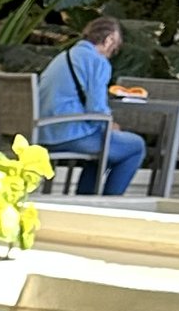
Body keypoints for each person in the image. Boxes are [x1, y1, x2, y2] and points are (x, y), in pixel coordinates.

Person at [35, 14, 146, 196]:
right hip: (68, 135)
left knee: (108, 148)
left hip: (42, 132)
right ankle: (110, 205)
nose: (112, 53)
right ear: (109, 40)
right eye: (115, 49)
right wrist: (110, 125)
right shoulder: (97, 61)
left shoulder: (64, 56)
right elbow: (97, 109)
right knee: (135, 146)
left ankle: (84, 200)